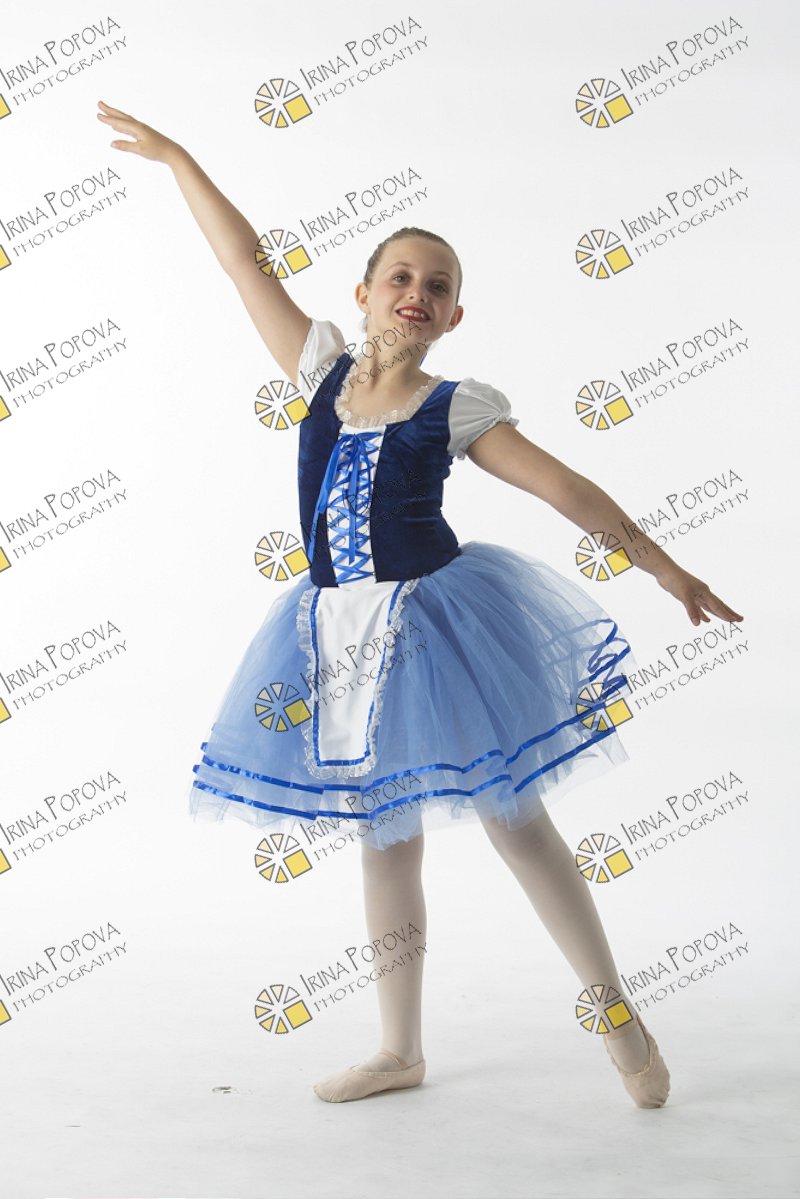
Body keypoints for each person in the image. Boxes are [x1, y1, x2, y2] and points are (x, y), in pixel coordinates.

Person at [95, 99, 745, 1108]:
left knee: (515, 821)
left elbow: (565, 489)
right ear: (362, 295)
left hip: (436, 628)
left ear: (452, 317)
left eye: (437, 286)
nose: (416, 292)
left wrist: (664, 567)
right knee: (382, 835)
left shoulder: (454, 407)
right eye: (399, 276)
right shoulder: (318, 371)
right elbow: (242, 264)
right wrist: (180, 158)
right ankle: (400, 1047)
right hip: (333, 630)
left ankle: (614, 1008)